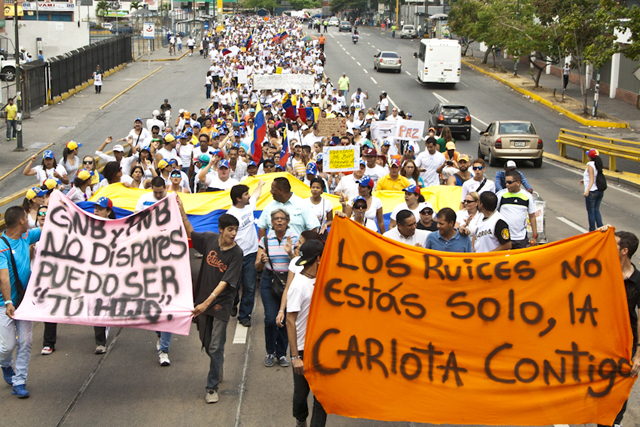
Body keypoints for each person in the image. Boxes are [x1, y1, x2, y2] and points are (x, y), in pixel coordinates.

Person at [179, 202, 243, 404]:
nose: (233, 234)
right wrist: (181, 209)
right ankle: (218, 363)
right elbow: (190, 232)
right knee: (206, 343)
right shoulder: (208, 239)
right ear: (221, 230)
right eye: (230, 230)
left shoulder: (236, 253)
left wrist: (207, 303)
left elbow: (225, 282)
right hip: (201, 302)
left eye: (236, 230)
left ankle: (211, 387)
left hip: (219, 304)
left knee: (215, 346)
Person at [595, 227, 640, 427]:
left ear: (624, 251)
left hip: (624, 343)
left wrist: (638, 354)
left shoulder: (638, 282)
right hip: (598, 339)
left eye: (612, 244)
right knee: (597, 386)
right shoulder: (601, 270)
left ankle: (615, 422)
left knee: (619, 388)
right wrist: (599, 234)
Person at [0, 206, 42, 398]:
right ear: (20, 221)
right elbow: (3, 278)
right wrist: (8, 301)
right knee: (7, 346)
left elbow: (49, 229)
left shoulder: (26, 237)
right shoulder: (1, 246)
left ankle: (20, 381)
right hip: (4, 304)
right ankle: (5, 364)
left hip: (25, 301)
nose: (29, 221)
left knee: (25, 342)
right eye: (26, 218)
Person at [286, 240, 328, 427]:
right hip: (302, 349)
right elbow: (290, 321)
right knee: (301, 395)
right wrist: (295, 356)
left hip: (322, 349)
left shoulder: (325, 278)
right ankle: (300, 418)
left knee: (321, 398)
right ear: (318, 258)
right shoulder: (298, 285)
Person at [255, 209, 298, 368]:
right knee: (270, 319)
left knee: (287, 319)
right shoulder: (265, 240)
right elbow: (257, 266)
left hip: (290, 281)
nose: (279, 221)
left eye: (282, 218)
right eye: (276, 219)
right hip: (269, 280)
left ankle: (281, 354)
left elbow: (299, 264)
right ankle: (270, 352)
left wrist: (291, 254)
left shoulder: (294, 239)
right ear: (271, 223)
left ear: (287, 221)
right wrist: (262, 259)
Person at [227, 182, 265, 327]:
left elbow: (256, 195)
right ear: (238, 198)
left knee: (249, 286)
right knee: (233, 286)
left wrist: (260, 184)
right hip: (235, 257)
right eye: (245, 194)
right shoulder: (230, 215)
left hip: (251, 255)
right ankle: (233, 302)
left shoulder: (249, 207)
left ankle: (244, 315)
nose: (249, 196)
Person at [496, 170, 538, 249]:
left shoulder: (528, 196)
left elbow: (532, 216)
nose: (507, 185)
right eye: (506, 182)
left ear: (518, 183)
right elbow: (492, 213)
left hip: (520, 238)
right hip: (504, 237)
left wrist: (535, 236)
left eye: (510, 182)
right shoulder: (501, 194)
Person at [581, 149, 606, 231]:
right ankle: (601, 227)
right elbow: (595, 177)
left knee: (591, 211)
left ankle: (592, 230)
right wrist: (584, 180)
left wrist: (587, 191)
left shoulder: (590, 166)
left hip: (592, 192)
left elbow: (592, 180)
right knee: (596, 210)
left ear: (589, 157)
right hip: (599, 191)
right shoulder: (597, 164)